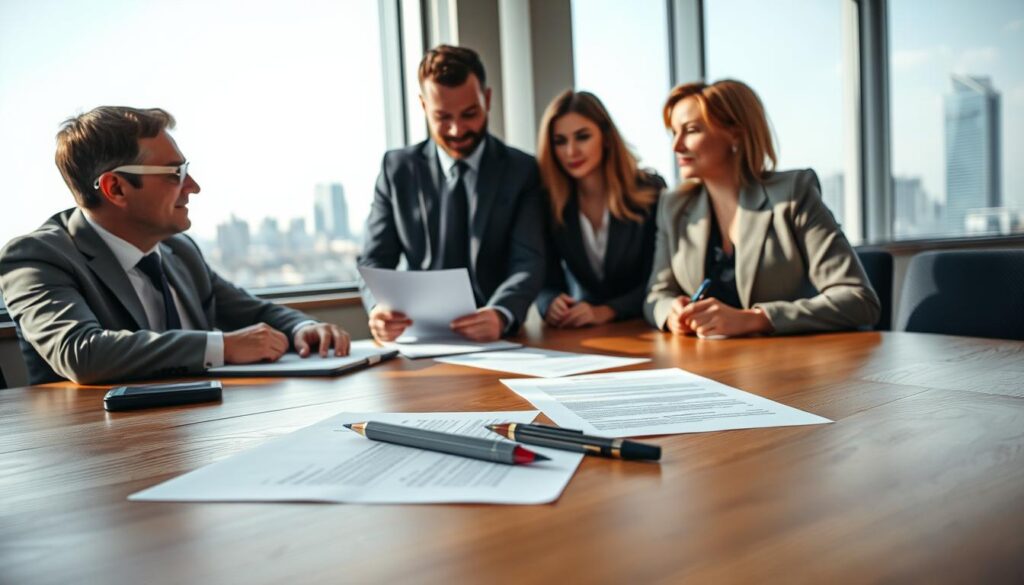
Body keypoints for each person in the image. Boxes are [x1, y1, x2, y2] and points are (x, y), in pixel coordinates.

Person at [0, 106, 350, 385]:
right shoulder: (36, 259)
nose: (193, 186)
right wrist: (222, 346)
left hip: (195, 434)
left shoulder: (179, 251)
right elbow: (82, 352)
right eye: (175, 174)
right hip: (97, 455)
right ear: (116, 189)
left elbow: (253, 312)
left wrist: (304, 329)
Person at [644, 80, 880, 336]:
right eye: (674, 133)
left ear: (736, 132)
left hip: (788, 364)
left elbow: (859, 300)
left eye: (691, 130)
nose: (676, 146)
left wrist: (755, 319)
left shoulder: (793, 193)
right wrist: (671, 313)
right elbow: (657, 295)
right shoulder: (675, 206)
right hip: (709, 365)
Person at [359, 45, 545, 343]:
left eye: (469, 114)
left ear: (487, 99)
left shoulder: (521, 170)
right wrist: (379, 308)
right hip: (417, 341)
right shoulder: (396, 169)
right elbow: (374, 259)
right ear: (423, 107)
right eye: (442, 117)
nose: (458, 130)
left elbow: (529, 261)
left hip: (499, 339)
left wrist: (501, 313)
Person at [535, 90, 664, 327]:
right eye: (560, 141)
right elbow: (545, 280)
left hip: (644, 326)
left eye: (582, 137)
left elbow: (657, 280)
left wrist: (607, 311)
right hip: (586, 331)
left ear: (605, 137)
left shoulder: (649, 190)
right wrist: (550, 303)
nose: (571, 151)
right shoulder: (550, 202)